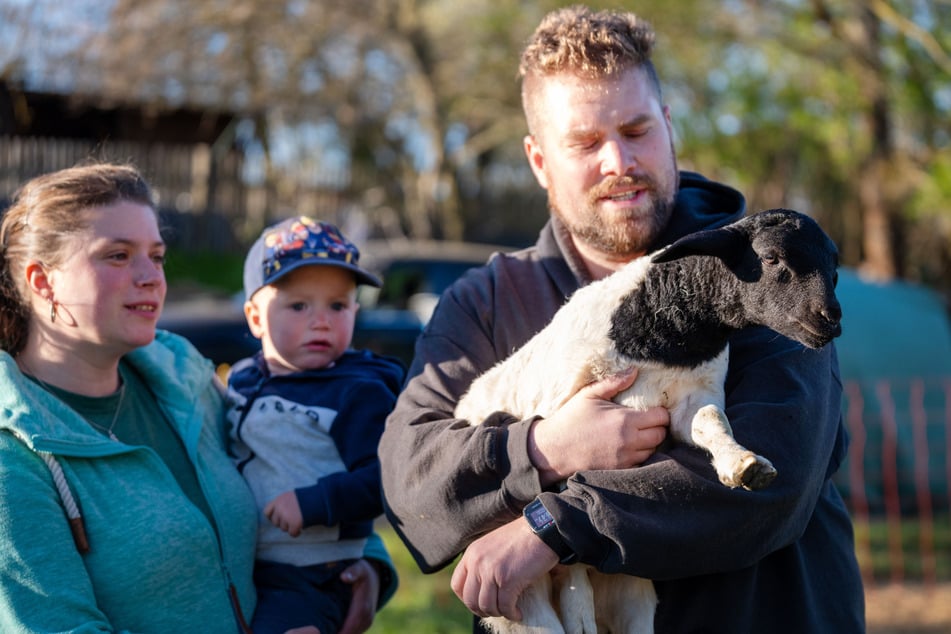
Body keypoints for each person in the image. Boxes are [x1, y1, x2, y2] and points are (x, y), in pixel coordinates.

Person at [378, 5, 864, 633]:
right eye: (584, 142)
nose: (618, 161)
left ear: (668, 125)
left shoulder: (762, 271)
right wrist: (543, 448)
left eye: (636, 130)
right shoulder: (488, 299)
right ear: (538, 160)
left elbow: (772, 483)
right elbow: (411, 478)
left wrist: (553, 526)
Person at [0, 163, 396, 634]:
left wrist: (363, 565)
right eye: (118, 255)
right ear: (42, 281)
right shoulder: (14, 456)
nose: (151, 276)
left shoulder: (182, 375)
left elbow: (287, 457)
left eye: (157, 256)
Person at [225, 215, 405, 634]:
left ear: (355, 311)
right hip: (247, 564)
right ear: (255, 317)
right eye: (299, 305)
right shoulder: (240, 379)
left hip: (315, 572)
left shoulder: (357, 392)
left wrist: (314, 502)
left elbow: (388, 478)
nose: (321, 320)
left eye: (337, 306)